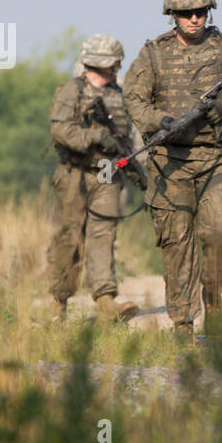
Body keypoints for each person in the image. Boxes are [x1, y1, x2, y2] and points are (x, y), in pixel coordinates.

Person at [123, 0, 222, 342]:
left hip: (217, 159)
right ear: (172, 14)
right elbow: (134, 99)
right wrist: (159, 121)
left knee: (221, 235)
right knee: (177, 246)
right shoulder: (153, 54)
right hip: (168, 164)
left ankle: (213, 298)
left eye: (200, 11)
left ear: (209, 10)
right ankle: (183, 325)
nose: (194, 19)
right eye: (186, 13)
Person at [45, 34, 140, 322]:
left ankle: (105, 301)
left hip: (108, 174)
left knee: (103, 236)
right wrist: (95, 137)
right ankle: (59, 302)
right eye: (113, 63)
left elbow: (131, 138)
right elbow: (61, 131)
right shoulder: (71, 92)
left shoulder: (121, 95)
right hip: (74, 173)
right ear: (99, 63)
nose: (116, 68)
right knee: (69, 236)